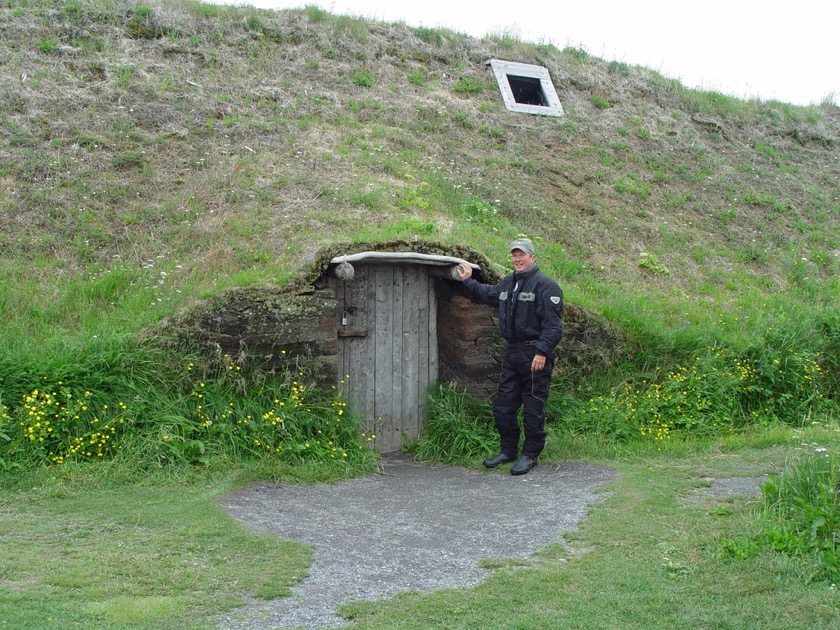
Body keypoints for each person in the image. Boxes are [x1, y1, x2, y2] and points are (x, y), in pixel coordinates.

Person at [456, 238, 563, 475]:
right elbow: (489, 294)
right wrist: (468, 281)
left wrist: (542, 352)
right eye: (514, 255)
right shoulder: (508, 283)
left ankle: (530, 454)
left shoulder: (546, 286)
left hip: (535, 353)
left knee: (533, 406)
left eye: (521, 255)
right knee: (503, 406)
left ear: (533, 257)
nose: (517, 259)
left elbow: (554, 326)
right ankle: (508, 451)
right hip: (513, 352)